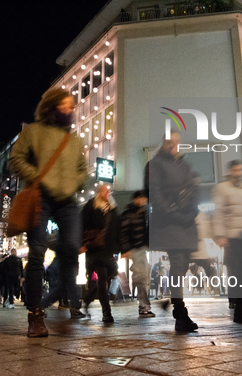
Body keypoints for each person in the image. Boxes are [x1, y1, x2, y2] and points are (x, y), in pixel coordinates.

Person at [10, 88, 87, 337]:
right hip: (40, 197)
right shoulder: (33, 132)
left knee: (72, 248)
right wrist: (39, 178)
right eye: (65, 106)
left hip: (68, 202)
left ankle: (66, 299)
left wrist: (74, 183)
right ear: (51, 107)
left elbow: (83, 169)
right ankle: (35, 314)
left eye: (72, 107)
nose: (70, 110)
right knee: (36, 255)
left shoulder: (74, 140)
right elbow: (16, 159)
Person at [145, 131, 199, 332]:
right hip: (169, 223)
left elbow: (194, 189)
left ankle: (174, 303)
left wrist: (193, 210)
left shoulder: (183, 164)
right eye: (170, 141)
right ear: (164, 142)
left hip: (185, 222)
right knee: (177, 265)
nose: (174, 145)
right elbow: (154, 194)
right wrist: (174, 213)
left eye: (177, 141)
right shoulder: (155, 164)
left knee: (183, 265)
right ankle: (180, 313)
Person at [212, 160, 242, 323]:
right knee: (236, 274)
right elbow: (218, 212)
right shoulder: (222, 188)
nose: (240, 172)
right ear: (230, 171)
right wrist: (219, 234)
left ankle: (241, 309)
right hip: (231, 238)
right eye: (236, 170)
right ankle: (238, 310)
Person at [81, 185, 120, 323]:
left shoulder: (112, 207)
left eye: (108, 190)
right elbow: (82, 224)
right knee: (102, 278)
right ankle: (106, 312)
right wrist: (82, 244)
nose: (107, 192)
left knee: (112, 273)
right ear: (99, 192)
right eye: (104, 190)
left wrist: (118, 249)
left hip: (108, 249)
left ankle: (87, 299)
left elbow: (117, 228)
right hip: (95, 248)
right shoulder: (91, 205)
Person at [120, 190, 154, 318]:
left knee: (144, 277)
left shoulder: (143, 213)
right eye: (142, 198)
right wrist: (126, 249)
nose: (143, 201)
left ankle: (144, 306)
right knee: (141, 277)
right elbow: (123, 233)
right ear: (136, 199)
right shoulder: (128, 214)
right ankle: (144, 307)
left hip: (142, 249)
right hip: (134, 249)